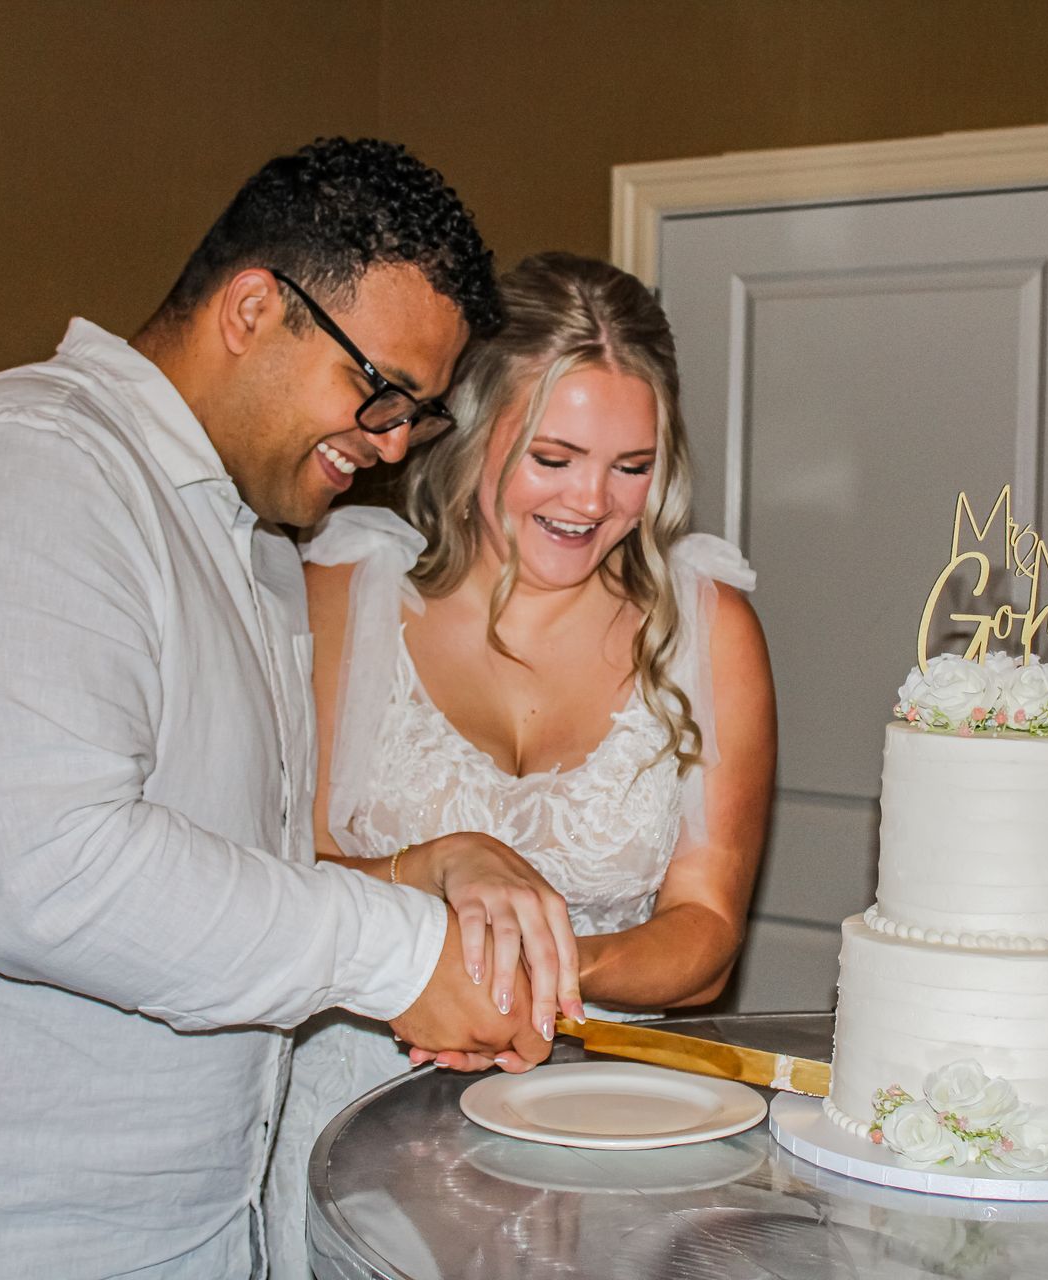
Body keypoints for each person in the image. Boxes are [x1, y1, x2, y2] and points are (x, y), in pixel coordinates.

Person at [0, 139, 574, 1279]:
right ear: (255, 308)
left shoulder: (252, 544)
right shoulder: (22, 466)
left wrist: (419, 869)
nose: (395, 441)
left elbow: (199, 872)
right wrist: (404, 950)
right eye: (381, 390)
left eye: (419, 413)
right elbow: (45, 877)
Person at [266, 252, 777, 1269]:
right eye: (555, 455)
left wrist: (544, 976)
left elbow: (708, 931)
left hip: (601, 1116)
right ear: (471, 430)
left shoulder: (706, 626)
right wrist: (429, 934)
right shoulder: (343, 593)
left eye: (631, 465)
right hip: (354, 1114)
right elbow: (285, 871)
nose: (593, 499)